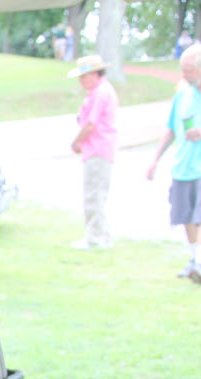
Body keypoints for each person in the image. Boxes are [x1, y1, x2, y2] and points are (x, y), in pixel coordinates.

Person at [148, 44, 201, 282]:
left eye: (189, 69)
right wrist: (155, 159)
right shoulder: (182, 94)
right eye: (183, 69)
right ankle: (195, 260)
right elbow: (171, 128)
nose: (184, 74)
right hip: (183, 166)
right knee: (187, 217)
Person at [68, 55, 118, 250]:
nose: (81, 81)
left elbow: (91, 124)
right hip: (97, 149)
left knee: (93, 196)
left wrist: (76, 142)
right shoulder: (99, 92)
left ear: (95, 74)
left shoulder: (101, 93)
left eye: (84, 76)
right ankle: (103, 236)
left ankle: (95, 238)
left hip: (98, 150)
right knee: (96, 195)